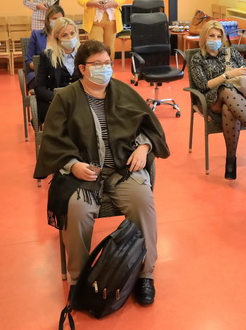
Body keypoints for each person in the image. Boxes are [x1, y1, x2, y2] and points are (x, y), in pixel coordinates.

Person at [34, 40, 169, 305]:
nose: (104, 68)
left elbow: (150, 127)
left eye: (107, 63)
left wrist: (143, 147)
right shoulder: (66, 97)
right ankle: (79, 278)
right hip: (83, 174)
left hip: (122, 169)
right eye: (97, 64)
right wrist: (72, 164)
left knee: (143, 204)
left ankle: (145, 274)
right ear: (82, 68)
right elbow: (52, 140)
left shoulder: (124, 92)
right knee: (77, 211)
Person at [188, 20, 246, 179]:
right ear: (204, 37)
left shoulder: (231, 52)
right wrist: (227, 75)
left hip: (237, 99)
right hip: (212, 98)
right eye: (211, 36)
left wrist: (244, 72)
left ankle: (230, 160)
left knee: (229, 109)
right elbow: (203, 85)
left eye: (219, 36)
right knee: (225, 88)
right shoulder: (198, 58)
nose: (215, 39)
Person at [33, 17, 81, 124]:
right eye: (64, 35)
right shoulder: (47, 56)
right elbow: (39, 88)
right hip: (55, 102)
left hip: (79, 101)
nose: (70, 38)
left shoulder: (84, 55)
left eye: (72, 33)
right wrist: (57, 97)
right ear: (57, 36)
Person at [25, 5, 65, 93]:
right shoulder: (36, 35)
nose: (57, 21)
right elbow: (29, 60)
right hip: (38, 74)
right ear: (47, 20)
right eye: (54, 18)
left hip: (60, 74)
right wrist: (43, 69)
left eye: (60, 19)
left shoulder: (66, 36)